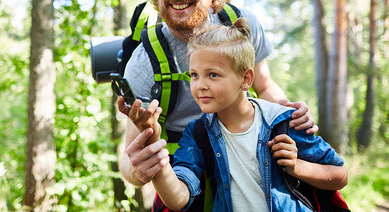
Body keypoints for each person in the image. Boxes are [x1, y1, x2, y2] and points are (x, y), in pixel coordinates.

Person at [118, 0, 317, 199]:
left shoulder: (241, 28)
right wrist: (138, 171)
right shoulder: (144, 61)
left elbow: (265, 86)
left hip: (252, 162)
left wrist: (287, 114)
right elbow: (128, 158)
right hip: (185, 178)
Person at [127, 19, 348, 211]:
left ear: (246, 79)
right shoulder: (197, 134)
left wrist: (297, 166)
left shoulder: (283, 122)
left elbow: (340, 175)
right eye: (194, 74)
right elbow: (178, 199)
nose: (200, 85)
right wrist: (153, 141)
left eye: (213, 74)